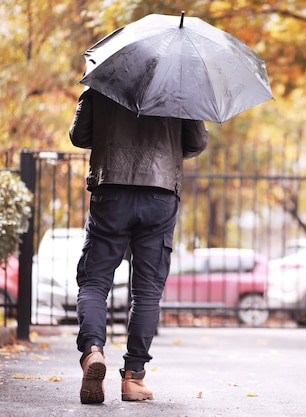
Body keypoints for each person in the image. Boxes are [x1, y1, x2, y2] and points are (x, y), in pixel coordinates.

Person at [69, 86, 209, 404]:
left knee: (94, 281)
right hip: (160, 193)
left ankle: (92, 351)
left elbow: (79, 136)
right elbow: (196, 142)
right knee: (147, 291)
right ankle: (134, 378)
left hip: (111, 188)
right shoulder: (180, 88)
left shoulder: (103, 83)